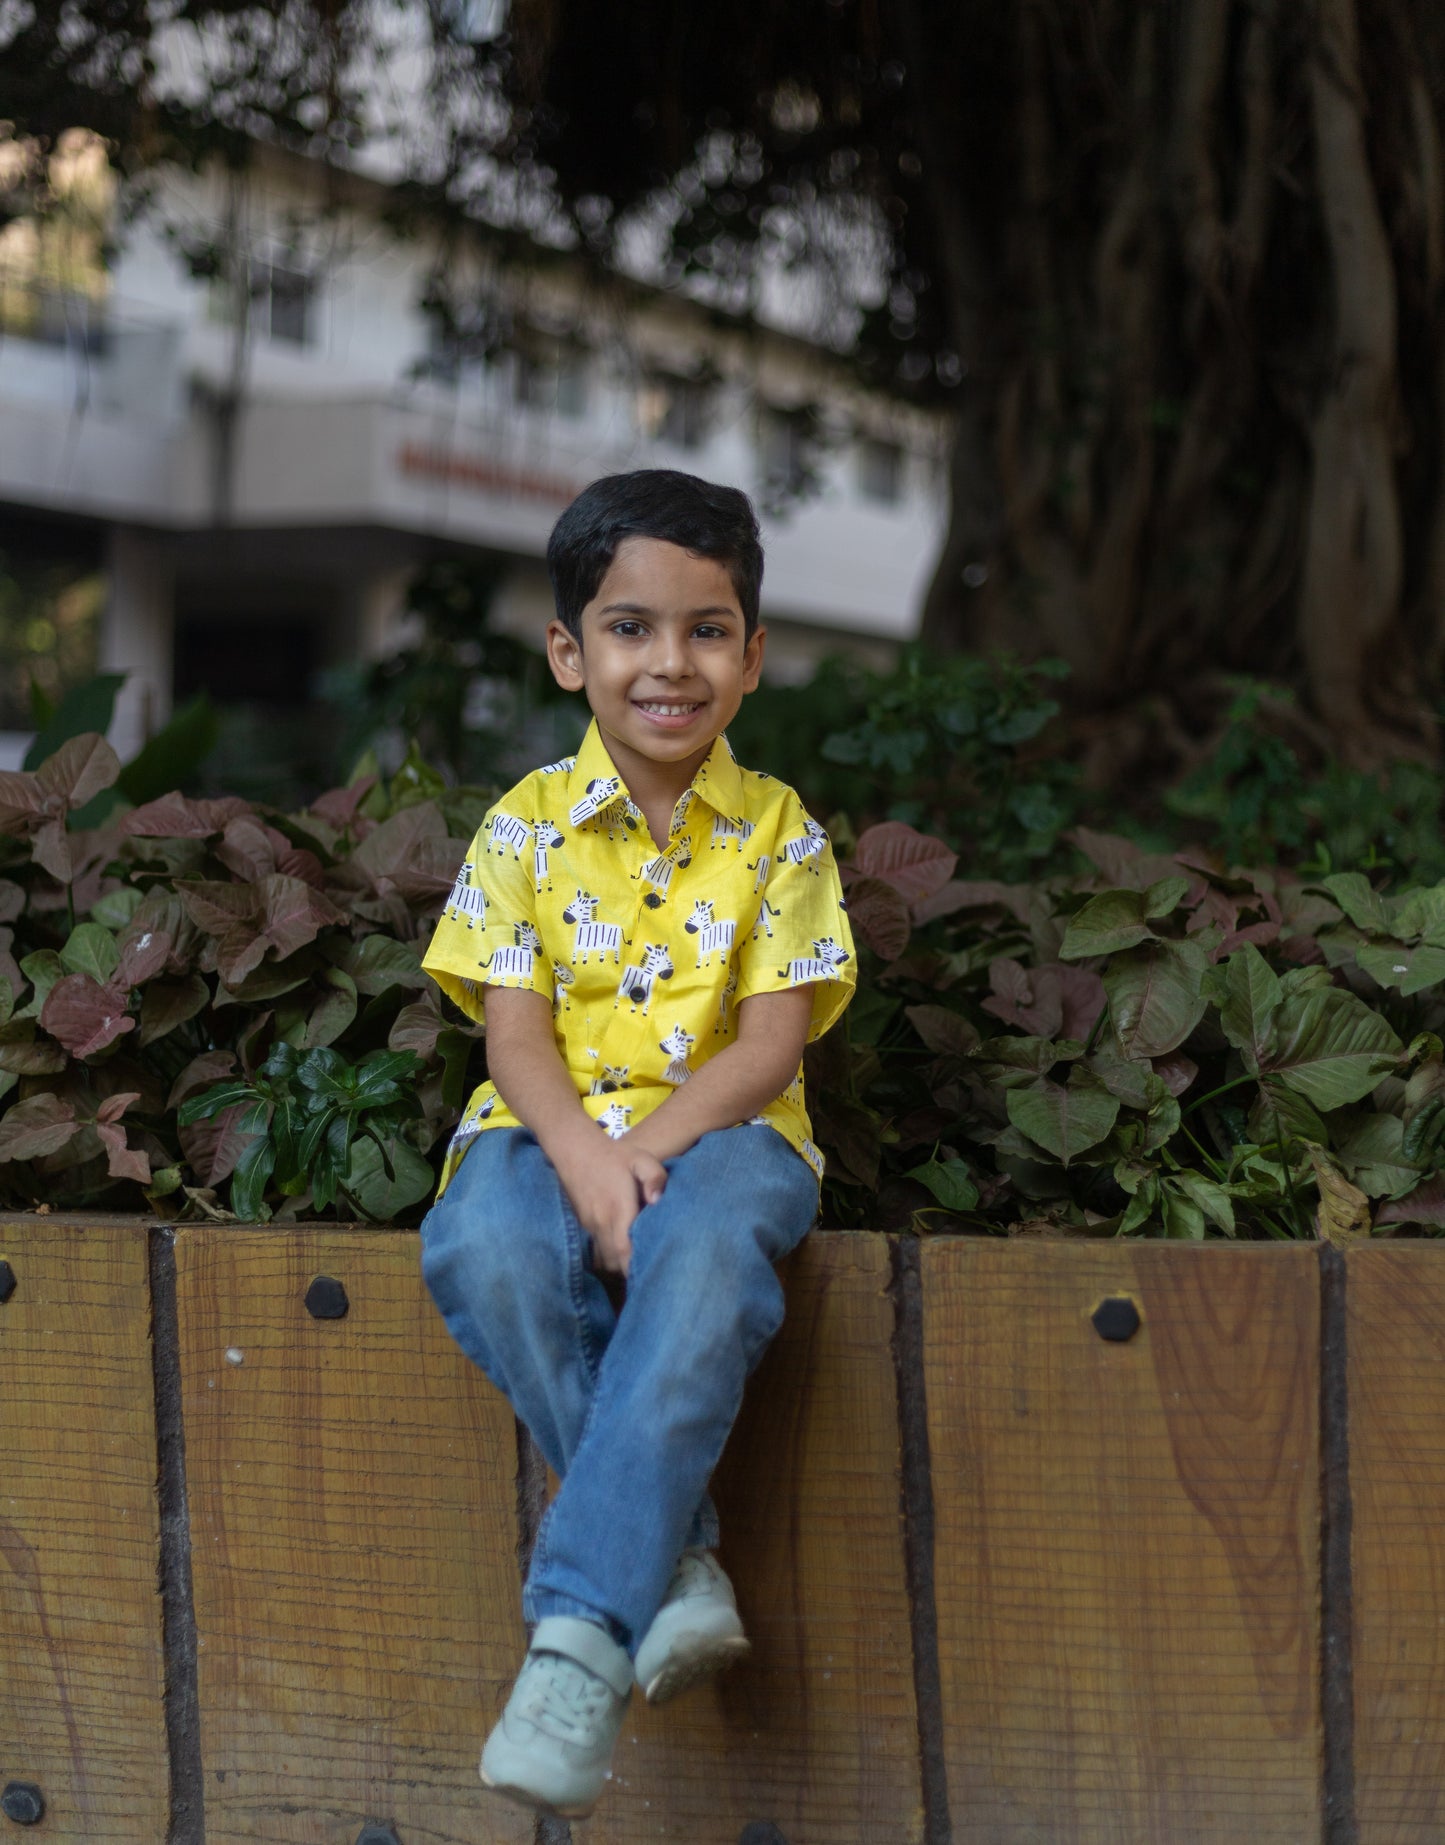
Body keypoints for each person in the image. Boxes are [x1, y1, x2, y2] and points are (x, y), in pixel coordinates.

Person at [418, 468, 856, 1820]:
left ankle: (572, 1643)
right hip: (535, 1124)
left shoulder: (780, 832)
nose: (669, 662)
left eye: (707, 628)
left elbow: (769, 1045)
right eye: (628, 626)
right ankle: (671, 1567)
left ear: (754, 654)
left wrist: (645, 1157)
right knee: (484, 1242)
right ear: (567, 650)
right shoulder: (523, 829)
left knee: (712, 1252)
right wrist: (583, 1159)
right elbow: (514, 1036)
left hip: (726, 1134)